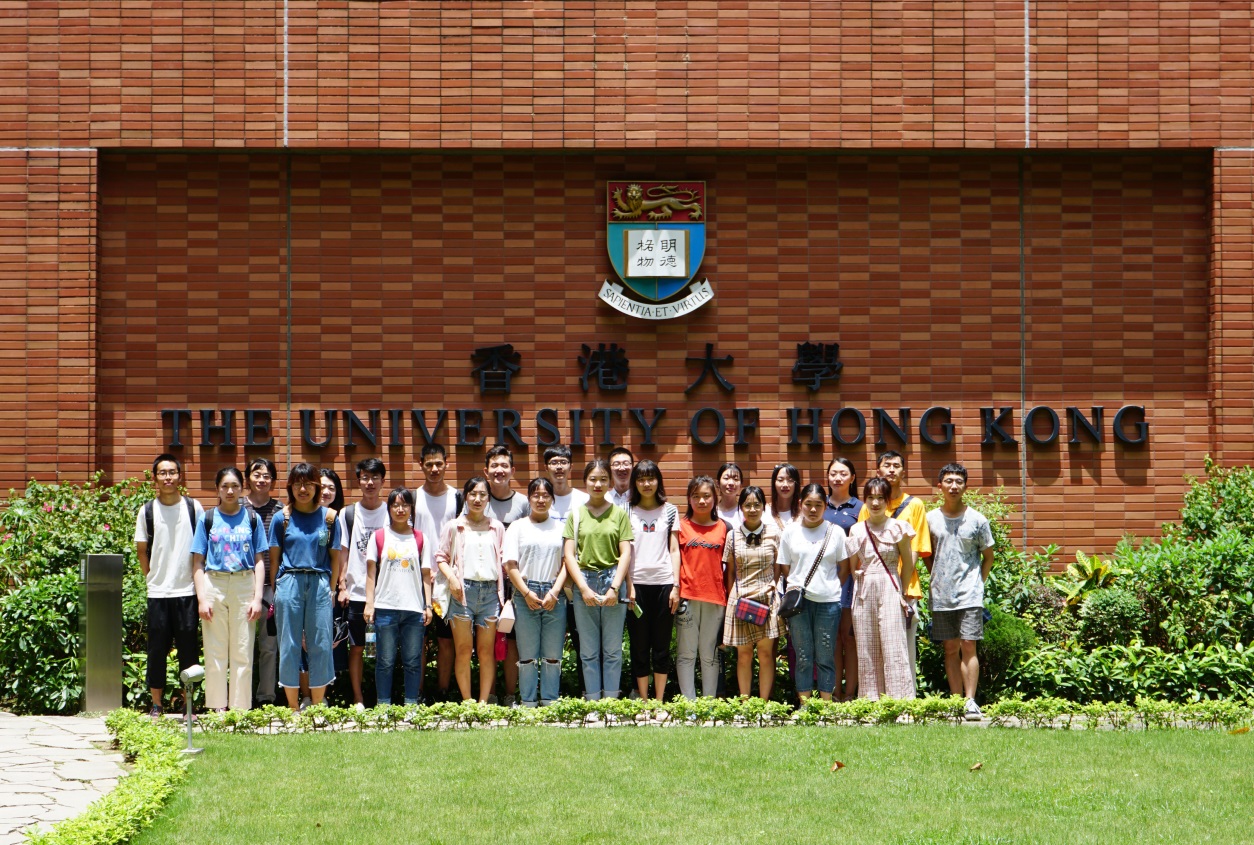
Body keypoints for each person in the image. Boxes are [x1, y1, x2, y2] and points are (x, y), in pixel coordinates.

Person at [190, 467, 267, 711]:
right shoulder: (207, 519)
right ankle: (217, 708)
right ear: (217, 489)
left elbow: (259, 560)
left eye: (235, 486)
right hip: (214, 583)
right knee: (215, 650)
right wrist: (202, 599)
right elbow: (197, 562)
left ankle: (240, 709)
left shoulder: (252, 519)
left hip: (244, 583)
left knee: (243, 650)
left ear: (243, 488)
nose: (230, 491)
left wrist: (257, 598)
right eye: (225, 486)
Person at [134, 454, 205, 718]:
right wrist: (151, 577)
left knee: (189, 651)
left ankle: (189, 705)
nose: (168, 477)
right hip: (158, 592)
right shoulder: (147, 510)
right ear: (155, 478)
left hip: (188, 590)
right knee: (156, 651)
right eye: (162, 473)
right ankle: (156, 704)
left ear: (180, 476)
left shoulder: (193, 508)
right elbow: (141, 550)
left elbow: (202, 549)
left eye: (172, 472)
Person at [269, 463, 342, 710]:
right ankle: (292, 708)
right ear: (290, 487)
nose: (303, 489)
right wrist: (277, 588)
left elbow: (335, 558)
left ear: (317, 487)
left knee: (321, 643)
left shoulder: (329, 518)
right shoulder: (282, 518)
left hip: (320, 582)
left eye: (308, 484)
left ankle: (318, 706)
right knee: (289, 644)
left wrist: (331, 590)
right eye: (298, 484)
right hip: (289, 581)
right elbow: (274, 559)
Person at [925, 463, 995, 721]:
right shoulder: (930, 519)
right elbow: (927, 554)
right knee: (950, 648)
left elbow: (988, 556)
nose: (953, 486)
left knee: (969, 645)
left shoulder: (977, 520)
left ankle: (970, 701)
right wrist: (937, 578)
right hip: (941, 595)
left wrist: (978, 584)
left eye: (959, 481)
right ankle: (956, 701)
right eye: (949, 481)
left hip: (969, 594)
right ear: (940, 486)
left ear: (965, 486)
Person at [563, 459, 633, 701]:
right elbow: (569, 554)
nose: (598, 484)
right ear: (585, 482)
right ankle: (593, 703)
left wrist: (615, 587)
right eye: (593, 479)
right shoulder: (576, 514)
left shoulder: (619, 514)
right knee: (588, 651)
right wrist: (583, 588)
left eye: (603, 479)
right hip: (585, 581)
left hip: (613, 579)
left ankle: (610, 704)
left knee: (612, 650)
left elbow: (626, 552)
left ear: (609, 483)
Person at [857, 450, 932, 678]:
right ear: (878, 471)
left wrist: (900, 584)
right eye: (886, 465)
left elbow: (916, 548)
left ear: (904, 472)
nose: (891, 469)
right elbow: (862, 549)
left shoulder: (915, 505)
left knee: (903, 649)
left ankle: (905, 697)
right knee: (874, 647)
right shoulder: (868, 506)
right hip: (873, 588)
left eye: (896, 466)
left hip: (904, 587)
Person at [435, 477, 506, 703]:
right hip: (462, 593)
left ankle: (483, 702)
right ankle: (467, 702)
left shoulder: (497, 527)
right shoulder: (454, 526)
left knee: (486, 651)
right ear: (466, 496)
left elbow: (503, 560)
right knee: (464, 650)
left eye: (482, 495)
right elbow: (441, 557)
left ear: (488, 498)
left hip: (490, 594)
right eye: (473, 494)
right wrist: (452, 579)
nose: (477, 499)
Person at [779, 483, 850, 702]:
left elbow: (844, 568)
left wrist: (829, 586)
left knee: (826, 655)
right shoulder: (790, 531)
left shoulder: (835, 532)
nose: (812, 509)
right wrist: (797, 586)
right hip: (799, 604)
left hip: (828, 602)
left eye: (818, 505)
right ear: (800, 504)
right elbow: (785, 567)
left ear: (825, 506)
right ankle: (806, 706)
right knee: (803, 655)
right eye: (808, 504)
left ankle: (825, 706)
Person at [364, 487, 434, 706]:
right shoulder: (379, 537)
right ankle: (383, 707)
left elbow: (426, 574)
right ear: (389, 508)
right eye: (395, 505)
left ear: (412, 508)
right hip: (385, 607)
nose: (400, 509)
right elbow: (370, 573)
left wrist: (428, 605)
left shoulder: (420, 538)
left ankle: (411, 706)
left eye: (405, 505)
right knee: (384, 661)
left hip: (414, 609)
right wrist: (369, 604)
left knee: (413, 661)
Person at [848, 477, 917, 701]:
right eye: (870, 498)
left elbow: (908, 562)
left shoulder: (898, 527)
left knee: (894, 643)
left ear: (888, 500)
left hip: (890, 585)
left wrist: (902, 592)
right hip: (864, 588)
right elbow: (852, 565)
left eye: (880, 497)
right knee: (866, 645)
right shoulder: (856, 530)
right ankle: (870, 701)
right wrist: (857, 576)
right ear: (865, 500)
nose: (875, 503)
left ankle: (900, 702)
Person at [503, 478, 568, 706]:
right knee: (527, 655)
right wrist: (526, 593)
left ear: (553, 499)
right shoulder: (517, 527)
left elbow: (567, 563)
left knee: (553, 654)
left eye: (546, 495)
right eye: (536, 495)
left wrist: (555, 591)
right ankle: (528, 703)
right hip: (525, 593)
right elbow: (510, 565)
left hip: (554, 594)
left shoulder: (561, 528)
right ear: (529, 499)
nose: (541, 500)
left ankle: (549, 701)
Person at [336, 458, 389, 710]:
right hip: (357, 593)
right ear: (358, 481)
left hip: (387, 593)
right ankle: (358, 699)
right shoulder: (348, 513)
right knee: (357, 647)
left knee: (386, 649)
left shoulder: (391, 511)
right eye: (365, 477)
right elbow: (343, 552)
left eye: (375, 477)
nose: (370, 482)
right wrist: (342, 586)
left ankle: (384, 698)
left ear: (382, 481)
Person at [626, 460, 679, 701]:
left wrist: (676, 586)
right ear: (634, 483)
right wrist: (628, 585)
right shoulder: (626, 511)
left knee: (661, 646)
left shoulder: (670, 511)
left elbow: (674, 550)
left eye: (651, 478)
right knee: (639, 647)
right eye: (641, 479)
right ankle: (644, 701)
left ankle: (658, 701)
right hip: (636, 586)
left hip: (664, 585)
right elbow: (624, 551)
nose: (646, 484)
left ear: (658, 481)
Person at [412, 444, 461, 703]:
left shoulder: (457, 497)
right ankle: (417, 694)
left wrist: (447, 571)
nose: (434, 469)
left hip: (447, 579)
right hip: (416, 579)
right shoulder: (413, 498)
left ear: (447, 464)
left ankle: (443, 694)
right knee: (417, 640)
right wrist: (423, 570)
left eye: (439, 464)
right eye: (429, 464)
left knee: (446, 640)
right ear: (421, 464)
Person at [723, 485, 782, 699]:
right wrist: (732, 598)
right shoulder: (732, 535)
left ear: (764, 507)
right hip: (741, 601)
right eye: (747, 505)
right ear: (741, 508)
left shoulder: (774, 533)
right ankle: (746, 703)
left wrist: (772, 587)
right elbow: (730, 571)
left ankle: (763, 704)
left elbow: (779, 566)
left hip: (767, 600)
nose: (752, 509)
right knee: (744, 655)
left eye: (757, 504)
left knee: (766, 655)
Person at [674, 475, 729, 699]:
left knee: (709, 654)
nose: (702, 501)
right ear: (689, 499)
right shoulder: (681, 527)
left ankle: (708, 706)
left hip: (716, 599)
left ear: (715, 498)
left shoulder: (724, 528)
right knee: (686, 654)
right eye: (696, 496)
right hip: (687, 597)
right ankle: (689, 706)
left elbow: (729, 569)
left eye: (706, 496)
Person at [484, 444, 529, 705]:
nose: (499, 470)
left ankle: (510, 695)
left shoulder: (523, 504)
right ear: (486, 471)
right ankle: (489, 695)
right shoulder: (478, 499)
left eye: (504, 465)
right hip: (486, 583)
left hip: (515, 583)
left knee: (512, 640)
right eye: (494, 466)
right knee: (487, 641)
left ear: (512, 470)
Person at [244, 458, 284, 707]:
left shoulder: (281, 510)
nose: (261, 480)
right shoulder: (237, 507)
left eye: (267, 476)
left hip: (271, 588)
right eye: (256, 475)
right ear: (247, 478)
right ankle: (241, 698)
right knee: (242, 646)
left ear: (273, 480)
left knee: (269, 646)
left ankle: (266, 698)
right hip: (240, 585)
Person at [824, 457, 863, 701]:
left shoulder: (860, 508)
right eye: (833, 473)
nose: (837, 478)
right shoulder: (821, 505)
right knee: (832, 640)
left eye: (843, 473)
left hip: (851, 580)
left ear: (852, 478)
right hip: (825, 579)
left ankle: (850, 694)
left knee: (850, 638)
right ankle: (834, 693)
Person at [545, 444, 588, 522]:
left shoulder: (584, 499)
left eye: (563, 462)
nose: (559, 467)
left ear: (571, 467)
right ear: (546, 468)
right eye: (554, 463)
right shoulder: (540, 500)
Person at [766, 463, 801, 530]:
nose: (785, 485)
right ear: (774, 483)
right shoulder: (765, 511)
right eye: (780, 480)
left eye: (790, 480)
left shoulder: (804, 512)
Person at [714, 462, 744, 530]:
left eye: (736, 479)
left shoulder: (744, 511)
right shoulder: (711, 512)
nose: (731, 483)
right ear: (718, 483)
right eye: (726, 478)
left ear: (741, 485)